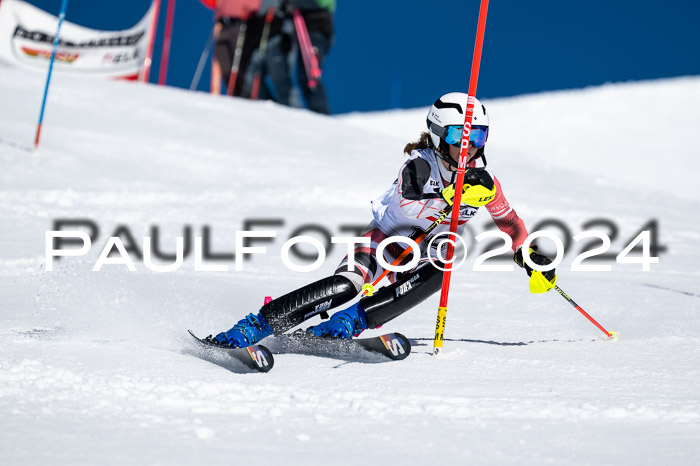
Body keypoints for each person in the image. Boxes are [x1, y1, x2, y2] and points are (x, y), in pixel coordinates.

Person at [206, 92, 558, 348]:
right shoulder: (420, 165)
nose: (467, 147)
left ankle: (349, 321)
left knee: (442, 269)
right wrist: (454, 196)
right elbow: (410, 201)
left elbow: (509, 222)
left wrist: (528, 256)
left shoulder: (484, 181)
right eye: (457, 137)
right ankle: (253, 327)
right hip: (382, 244)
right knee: (346, 285)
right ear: (438, 136)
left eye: (476, 137)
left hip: (425, 255)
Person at [264, 0, 334, 114]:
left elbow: (324, 3)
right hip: (299, 28)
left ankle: (322, 116)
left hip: (317, 28)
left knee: (309, 75)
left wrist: (294, 3)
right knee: (302, 76)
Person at [213, 0, 268, 97]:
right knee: (226, 66)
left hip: (245, 19)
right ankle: (237, 99)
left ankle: (249, 100)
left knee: (240, 68)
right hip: (224, 22)